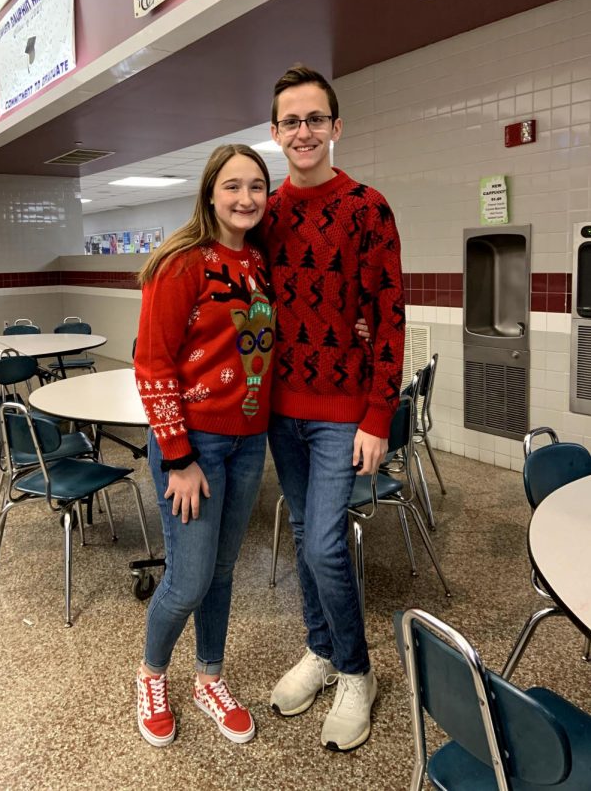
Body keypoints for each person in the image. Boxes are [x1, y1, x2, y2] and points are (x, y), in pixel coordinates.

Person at [262, 64, 405, 752]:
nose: (304, 131)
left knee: (323, 540)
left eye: (315, 118)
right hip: (278, 412)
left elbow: (388, 316)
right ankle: (319, 650)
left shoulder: (367, 208)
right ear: (275, 132)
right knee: (301, 538)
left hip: (340, 411)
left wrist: (379, 414)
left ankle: (355, 670)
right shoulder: (266, 214)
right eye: (291, 120)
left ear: (335, 127)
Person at [133, 144, 276, 747]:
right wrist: (179, 456)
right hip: (195, 446)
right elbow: (152, 365)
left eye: (257, 188)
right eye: (233, 186)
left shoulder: (262, 263)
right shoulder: (183, 263)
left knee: (220, 574)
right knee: (187, 581)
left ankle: (208, 677)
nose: (246, 199)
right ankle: (151, 675)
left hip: (249, 443)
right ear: (210, 193)